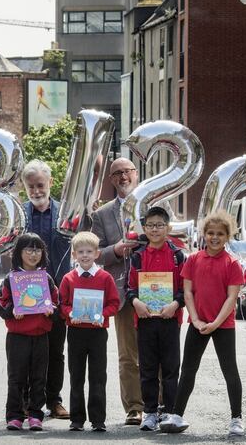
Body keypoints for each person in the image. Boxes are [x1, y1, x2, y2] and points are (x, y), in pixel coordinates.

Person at [161, 210, 245, 435]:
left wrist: (216, 323)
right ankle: (177, 414)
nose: (214, 237)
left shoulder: (232, 263)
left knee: (230, 370)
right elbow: (188, 292)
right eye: (210, 233)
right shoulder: (193, 259)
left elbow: (232, 297)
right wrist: (196, 320)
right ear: (203, 234)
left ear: (227, 236)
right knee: (188, 369)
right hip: (197, 324)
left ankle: (236, 418)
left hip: (223, 325)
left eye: (220, 234)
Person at [89, 158, 143, 425]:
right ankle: (134, 407)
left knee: (157, 351)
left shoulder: (154, 202)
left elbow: (170, 240)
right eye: (117, 173)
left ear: (136, 174)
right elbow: (95, 253)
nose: (123, 177)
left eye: (127, 172)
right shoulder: (101, 214)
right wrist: (116, 250)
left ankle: (158, 404)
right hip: (122, 292)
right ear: (111, 180)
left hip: (154, 289)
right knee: (128, 355)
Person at [124, 207, 185, 431]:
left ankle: (169, 411)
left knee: (170, 368)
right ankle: (149, 412)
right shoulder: (138, 256)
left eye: (159, 225)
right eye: (150, 225)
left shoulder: (178, 256)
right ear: (144, 228)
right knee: (147, 368)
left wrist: (175, 304)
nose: (155, 230)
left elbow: (185, 289)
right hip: (145, 319)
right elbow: (129, 287)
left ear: (168, 228)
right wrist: (136, 302)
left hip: (170, 319)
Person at [20, 159, 72, 419]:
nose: (36, 190)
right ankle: (27, 401)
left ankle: (54, 400)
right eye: (31, 186)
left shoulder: (67, 213)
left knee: (55, 351)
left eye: (40, 185)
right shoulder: (19, 214)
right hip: (25, 293)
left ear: (50, 182)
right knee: (27, 351)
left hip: (57, 292)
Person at [0, 233, 59, 431]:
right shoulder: (11, 278)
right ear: (19, 253)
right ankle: (14, 415)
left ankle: (35, 415)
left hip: (40, 336)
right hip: (17, 337)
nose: (33, 254)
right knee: (16, 377)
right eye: (29, 250)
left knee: (39, 377)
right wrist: (12, 310)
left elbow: (56, 301)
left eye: (38, 250)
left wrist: (52, 310)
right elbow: (1, 302)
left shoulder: (46, 278)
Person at [59, 231, 120, 432]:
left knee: (98, 377)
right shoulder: (68, 278)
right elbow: (62, 304)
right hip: (76, 332)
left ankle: (98, 420)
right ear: (74, 255)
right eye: (80, 252)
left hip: (97, 333)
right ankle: (76, 419)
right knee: (76, 376)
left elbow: (114, 303)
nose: (85, 255)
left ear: (97, 253)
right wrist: (71, 314)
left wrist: (102, 315)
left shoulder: (105, 278)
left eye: (89, 251)